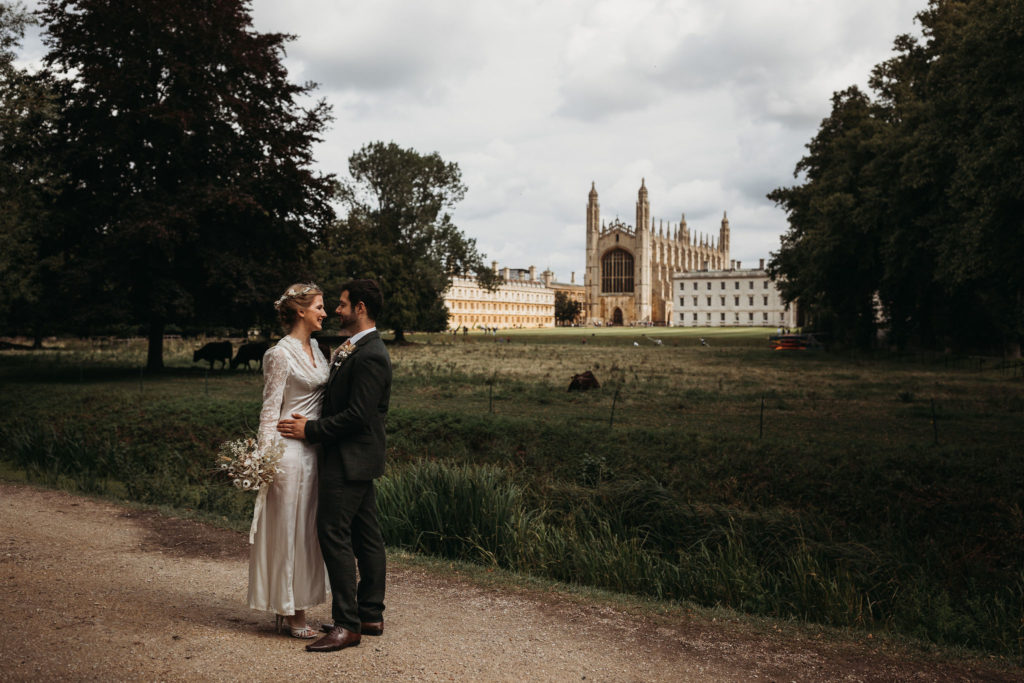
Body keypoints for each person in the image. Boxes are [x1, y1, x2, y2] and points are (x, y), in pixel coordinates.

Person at [277, 279, 392, 653]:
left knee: (333, 533)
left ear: (360, 307)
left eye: (341, 305)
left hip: (349, 457)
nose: (336, 311)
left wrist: (309, 429)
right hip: (355, 457)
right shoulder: (353, 348)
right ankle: (369, 615)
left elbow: (358, 416)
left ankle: (347, 624)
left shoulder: (371, 353)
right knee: (367, 536)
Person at [248, 283, 331, 639]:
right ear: (300, 311)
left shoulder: (316, 347)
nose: (325, 313)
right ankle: (292, 614)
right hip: (288, 456)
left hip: (314, 451)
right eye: (319, 306)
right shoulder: (278, 354)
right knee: (290, 531)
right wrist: (264, 461)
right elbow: (269, 411)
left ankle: (297, 608)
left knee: (308, 533)